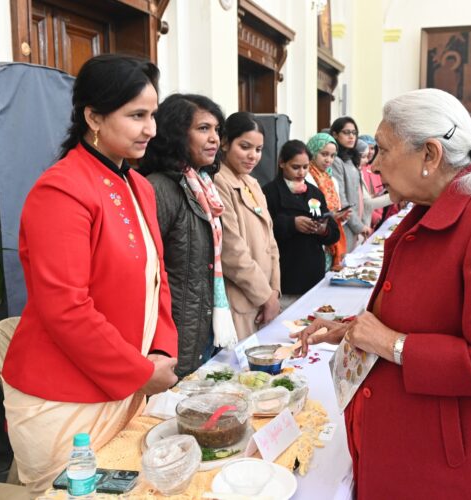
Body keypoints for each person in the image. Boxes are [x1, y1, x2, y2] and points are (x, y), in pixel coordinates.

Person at [296, 88, 471, 499]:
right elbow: (422, 316)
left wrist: (393, 345)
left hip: (454, 462)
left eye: (381, 150)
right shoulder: (426, 209)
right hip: (412, 439)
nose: (374, 165)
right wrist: (351, 329)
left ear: (430, 155)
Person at [1, 54, 178, 495]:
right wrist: (139, 371)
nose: (151, 129)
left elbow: (157, 279)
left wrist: (160, 351)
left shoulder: (138, 186)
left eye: (153, 114)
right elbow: (65, 308)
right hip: (62, 399)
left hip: (125, 382)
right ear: (93, 116)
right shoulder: (60, 189)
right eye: (137, 115)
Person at [141, 94, 237, 378]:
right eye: (203, 128)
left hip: (202, 327)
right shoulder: (159, 187)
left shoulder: (203, 185)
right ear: (176, 133)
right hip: (173, 336)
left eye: (217, 130)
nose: (214, 139)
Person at [214, 112, 281, 339]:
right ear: (225, 143)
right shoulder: (218, 182)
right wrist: (266, 296)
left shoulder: (252, 183)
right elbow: (232, 252)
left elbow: (271, 242)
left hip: (264, 297)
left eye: (259, 150)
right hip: (241, 298)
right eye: (245, 147)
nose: (253, 156)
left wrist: (275, 291)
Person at [263, 140, 340, 309]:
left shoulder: (314, 192)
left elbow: (334, 233)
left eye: (305, 167)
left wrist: (323, 230)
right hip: (286, 276)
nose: (301, 172)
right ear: (282, 163)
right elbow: (262, 232)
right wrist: (292, 224)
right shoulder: (269, 192)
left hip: (313, 275)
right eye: (296, 167)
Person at [305, 132, 351, 271]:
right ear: (312, 151)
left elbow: (336, 208)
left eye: (332, 156)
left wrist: (342, 217)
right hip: (313, 242)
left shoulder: (332, 180)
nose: (328, 160)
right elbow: (308, 212)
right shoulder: (305, 177)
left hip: (331, 239)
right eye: (324, 154)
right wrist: (330, 216)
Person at [330, 116, 372, 250]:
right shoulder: (336, 160)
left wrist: (362, 223)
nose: (351, 137)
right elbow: (341, 198)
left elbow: (358, 195)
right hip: (346, 224)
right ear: (335, 134)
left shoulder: (351, 158)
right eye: (346, 132)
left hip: (356, 222)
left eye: (354, 133)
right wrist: (358, 226)